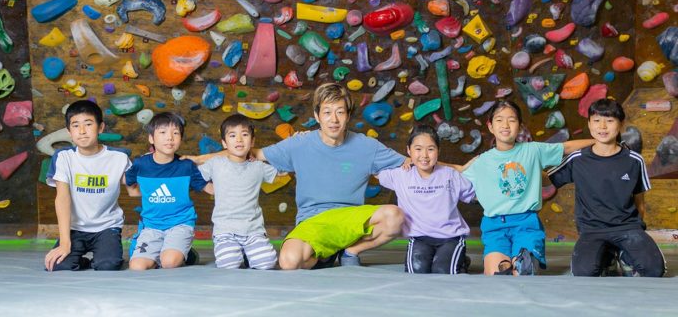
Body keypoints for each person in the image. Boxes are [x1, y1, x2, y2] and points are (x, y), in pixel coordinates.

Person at [189, 82, 408, 269]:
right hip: (312, 220)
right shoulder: (300, 143)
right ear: (317, 116)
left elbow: (412, 161)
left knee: (394, 216)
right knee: (288, 262)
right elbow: (244, 151)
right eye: (327, 112)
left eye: (340, 112)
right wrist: (197, 159)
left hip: (350, 217)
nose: (334, 119)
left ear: (348, 115)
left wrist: (425, 161)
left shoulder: (367, 146)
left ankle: (351, 251)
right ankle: (323, 254)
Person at [462, 100, 595, 276]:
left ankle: (524, 260)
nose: (505, 125)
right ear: (490, 126)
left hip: (526, 223)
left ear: (519, 126)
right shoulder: (481, 161)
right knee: (496, 276)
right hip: (495, 227)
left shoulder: (533, 150)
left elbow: (567, 147)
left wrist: (601, 141)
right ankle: (507, 262)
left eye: (511, 120)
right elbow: (454, 173)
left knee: (523, 273)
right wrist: (423, 162)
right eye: (499, 120)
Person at [547, 98, 665, 277]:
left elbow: (640, 202)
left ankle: (624, 253)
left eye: (609, 120)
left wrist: (637, 232)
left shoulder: (634, 160)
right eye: (596, 120)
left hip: (628, 228)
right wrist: (524, 163)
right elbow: (548, 180)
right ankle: (607, 256)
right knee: (584, 273)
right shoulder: (577, 159)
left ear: (621, 124)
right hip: (591, 230)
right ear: (589, 124)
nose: (602, 126)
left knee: (654, 270)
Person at [44, 100, 131, 271]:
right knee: (57, 264)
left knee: (108, 265)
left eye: (88, 124)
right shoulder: (63, 157)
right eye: (76, 125)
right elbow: (62, 198)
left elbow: (137, 189)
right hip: (75, 229)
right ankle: (83, 261)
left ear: (100, 127)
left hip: (107, 227)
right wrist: (64, 243)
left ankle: (101, 257)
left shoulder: (119, 158)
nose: (82, 131)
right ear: (69, 131)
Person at [377, 125, 475, 274]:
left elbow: (474, 195)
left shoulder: (450, 175)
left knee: (443, 271)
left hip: (450, 237)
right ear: (408, 150)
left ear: (438, 151)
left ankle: (460, 260)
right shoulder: (400, 175)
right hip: (420, 238)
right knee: (416, 271)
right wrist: (400, 161)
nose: (424, 155)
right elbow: (373, 168)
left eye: (430, 149)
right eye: (418, 149)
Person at [125, 112, 213, 270]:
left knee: (169, 263)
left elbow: (210, 189)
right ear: (151, 138)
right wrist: (135, 192)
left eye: (176, 133)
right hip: (151, 226)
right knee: (137, 267)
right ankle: (165, 249)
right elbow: (128, 180)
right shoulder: (141, 164)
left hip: (180, 224)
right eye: (163, 132)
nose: (170, 138)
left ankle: (184, 253)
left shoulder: (186, 166)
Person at [198, 114, 279, 269]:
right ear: (224, 142)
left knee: (267, 263)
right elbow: (194, 176)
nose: (239, 140)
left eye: (245, 134)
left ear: (252, 141)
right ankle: (238, 251)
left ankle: (249, 252)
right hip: (225, 230)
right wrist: (209, 188)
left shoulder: (258, 166)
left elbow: (283, 171)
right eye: (232, 135)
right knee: (229, 264)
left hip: (253, 230)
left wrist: (296, 143)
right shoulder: (216, 163)